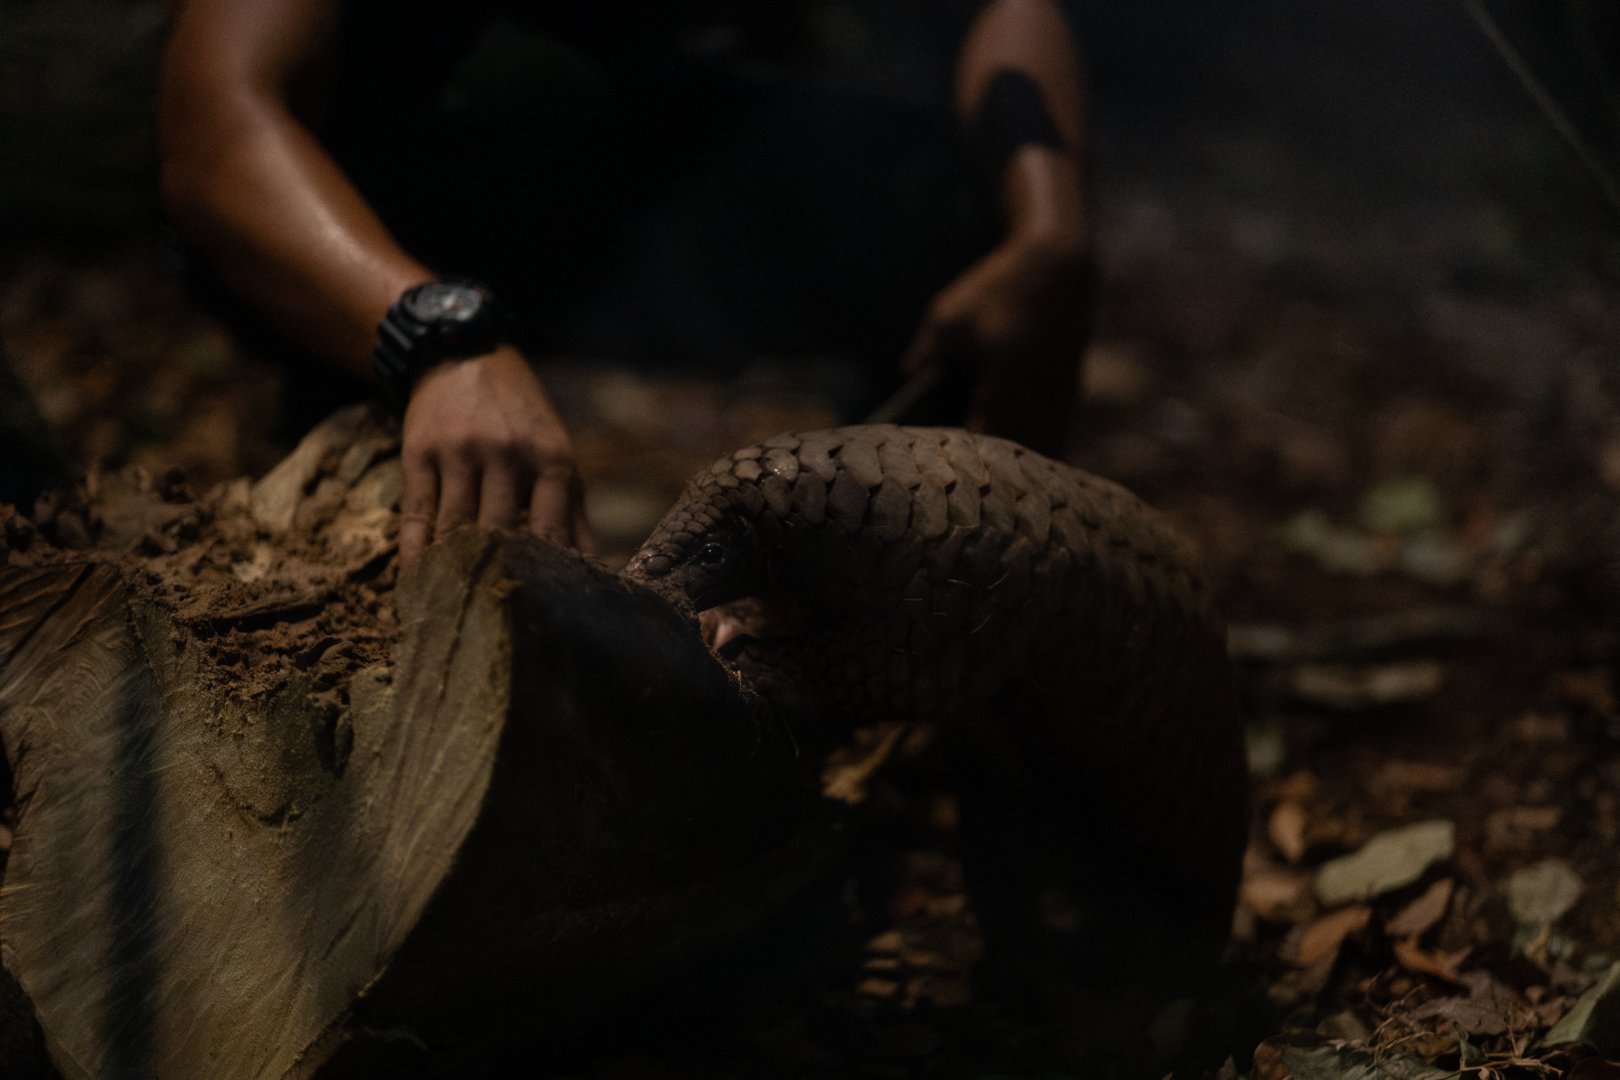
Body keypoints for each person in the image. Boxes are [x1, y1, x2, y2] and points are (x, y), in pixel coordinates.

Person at [158, 0, 1091, 566]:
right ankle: (358, 468)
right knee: (507, 81)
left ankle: (931, 582)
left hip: (634, 166)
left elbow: (1001, 13)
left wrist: (1053, 230)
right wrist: (439, 337)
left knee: (946, 192)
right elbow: (216, 124)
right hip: (410, 186)